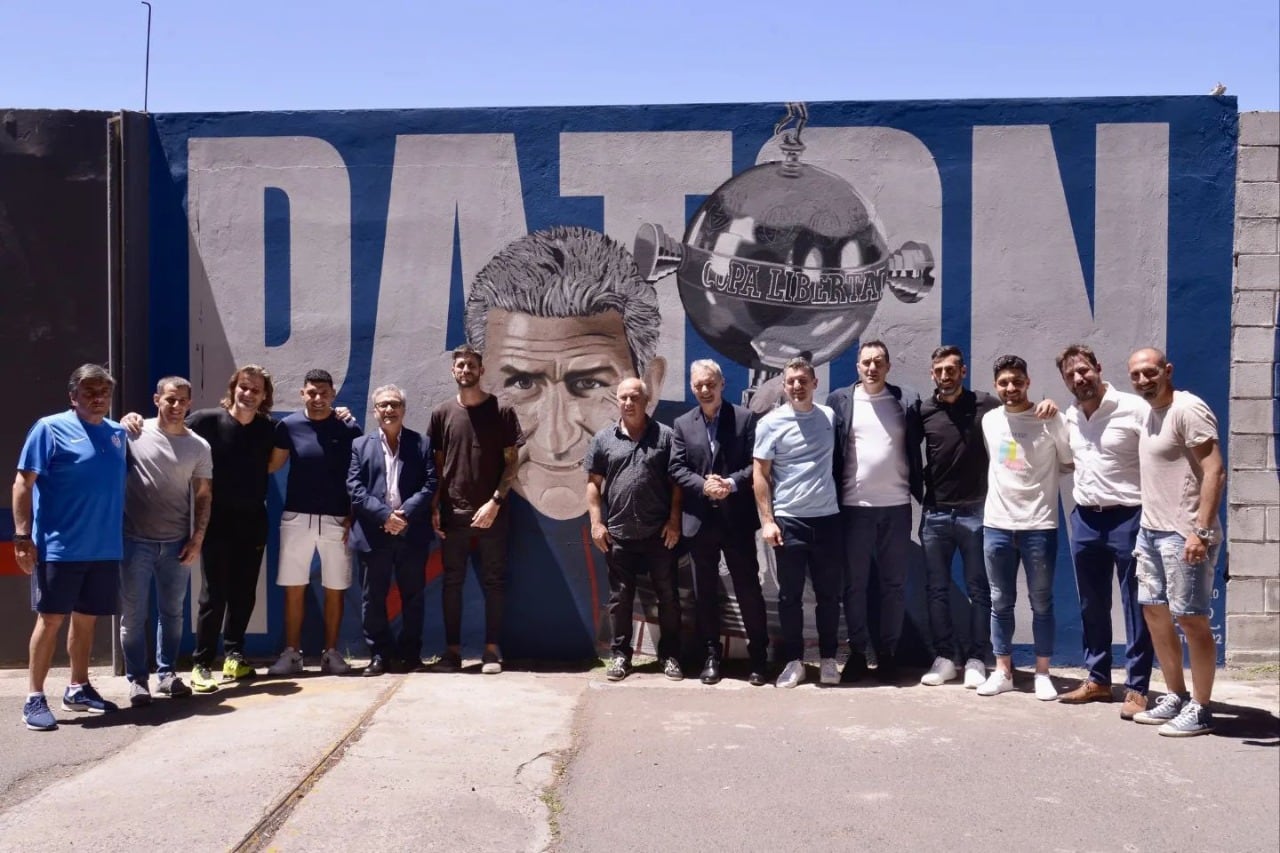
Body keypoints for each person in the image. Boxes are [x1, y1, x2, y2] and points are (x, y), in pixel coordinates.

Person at [464, 226, 666, 521]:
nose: (556, 440)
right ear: (478, 382)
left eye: (588, 382)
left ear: (651, 386)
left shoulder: (681, 453)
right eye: (522, 382)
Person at [13, 364, 127, 730]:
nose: (97, 398)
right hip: (59, 548)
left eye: (104, 392)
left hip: (104, 549)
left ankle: (78, 687)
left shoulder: (117, 434)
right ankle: (33, 698)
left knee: (86, 620)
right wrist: (21, 536)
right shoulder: (49, 429)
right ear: (73, 396)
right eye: (90, 392)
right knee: (50, 620)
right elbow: (22, 483)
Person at [1127, 348, 1226, 736]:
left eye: (1149, 373)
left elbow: (1214, 470)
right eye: (1135, 375)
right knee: (1155, 613)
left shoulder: (1188, 408)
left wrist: (1200, 531)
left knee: (1191, 619)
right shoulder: (1152, 413)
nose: (1142, 380)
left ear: (1167, 371)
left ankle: (1201, 708)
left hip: (1184, 535)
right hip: (1151, 531)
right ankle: (1175, 695)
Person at [1054, 344, 1155, 720]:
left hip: (1130, 517)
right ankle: (1097, 679)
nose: (1079, 379)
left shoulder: (1134, 408)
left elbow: (1160, 456)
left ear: (1098, 367)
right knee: (1091, 605)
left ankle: (1137, 688)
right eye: (1070, 375)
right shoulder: (1070, 416)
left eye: (1083, 371)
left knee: (1136, 606)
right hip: (1085, 519)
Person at [977, 355, 1073, 700]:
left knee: (1041, 602)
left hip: (1039, 525)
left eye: (1017, 381)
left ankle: (1042, 673)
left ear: (1028, 381)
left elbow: (1068, 462)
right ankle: (1003, 671)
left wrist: (1054, 411)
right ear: (996, 386)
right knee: (1000, 602)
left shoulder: (1052, 418)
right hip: (997, 526)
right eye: (1004, 382)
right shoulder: (989, 420)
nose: (1011, 388)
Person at [827, 340, 923, 683]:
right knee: (854, 585)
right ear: (857, 366)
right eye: (866, 362)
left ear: (888, 366)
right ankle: (856, 651)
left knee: (893, 584)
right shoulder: (840, 400)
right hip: (854, 508)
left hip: (897, 506)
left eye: (878, 362)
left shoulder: (907, 400)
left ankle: (888, 654)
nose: (872, 368)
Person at [670, 359, 767, 686]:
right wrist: (704, 485)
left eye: (710, 383)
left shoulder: (744, 419)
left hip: (736, 521)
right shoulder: (683, 424)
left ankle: (759, 656)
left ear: (722, 384)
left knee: (748, 590)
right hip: (699, 523)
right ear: (692, 386)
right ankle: (711, 655)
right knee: (705, 593)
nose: (704, 390)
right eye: (698, 385)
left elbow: (756, 464)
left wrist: (730, 484)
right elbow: (677, 468)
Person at [429, 345, 523, 674]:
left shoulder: (501, 411)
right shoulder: (442, 413)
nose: (466, 370)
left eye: (471, 365)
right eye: (460, 365)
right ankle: (452, 653)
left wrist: (495, 502)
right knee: (451, 582)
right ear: (453, 371)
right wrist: (434, 506)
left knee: (494, 581)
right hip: (452, 512)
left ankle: (491, 651)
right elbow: (438, 466)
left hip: (492, 514)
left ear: (482, 371)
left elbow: (512, 464)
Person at [119, 377, 213, 706]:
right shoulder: (132, 433)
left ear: (190, 403)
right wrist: (121, 421)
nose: (176, 406)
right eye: (170, 399)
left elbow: (203, 495)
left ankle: (167, 674)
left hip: (177, 544)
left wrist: (197, 538)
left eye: (183, 401)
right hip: (134, 542)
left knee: (172, 614)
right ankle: (137, 680)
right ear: (157, 398)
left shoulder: (199, 446)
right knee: (133, 616)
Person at [184, 365, 277, 690]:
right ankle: (201, 663)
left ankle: (234, 657)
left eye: (256, 390)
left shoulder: (268, 428)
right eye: (244, 387)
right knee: (214, 594)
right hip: (216, 521)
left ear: (265, 396)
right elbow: (169, 431)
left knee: (244, 593)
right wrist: (133, 422)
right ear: (233, 388)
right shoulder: (205, 421)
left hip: (253, 521)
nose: (248, 394)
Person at [753, 357, 843, 689]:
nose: (796, 386)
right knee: (790, 597)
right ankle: (793, 662)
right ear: (783, 385)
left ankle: (830, 660)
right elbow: (759, 474)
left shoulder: (830, 418)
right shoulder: (770, 424)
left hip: (828, 520)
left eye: (803, 380)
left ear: (815, 383)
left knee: (829, 595)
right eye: (791, 380)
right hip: (789, 521)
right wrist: (768, 521)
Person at [267, 369, 362, 676]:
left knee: (335, 586)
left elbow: (358, 474)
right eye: (312, 392)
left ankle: (331, 654)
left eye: (324, 393)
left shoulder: (348, 427)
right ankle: (292, 653)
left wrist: (354, 513)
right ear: (302, 393)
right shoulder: (288, 426)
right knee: (294, 587)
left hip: (338, 519)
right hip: (296, 517)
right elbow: (272, 465)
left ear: (333, 394)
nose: (318, 398)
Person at [586, 377, 682, 682]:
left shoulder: (665, 437)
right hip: (618, 534)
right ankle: (620, 657)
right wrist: (596, 523)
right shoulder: (603, 439)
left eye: (634, 398)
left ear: (646, 400)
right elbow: (593, 484)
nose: (628, 403)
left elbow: (676, 484)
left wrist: (674, 520)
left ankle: (671, 656)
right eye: (623, 398)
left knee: (667, 596)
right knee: (620, 599)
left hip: (659, 534)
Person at [917, 346, 1000, 689]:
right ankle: (946, 658)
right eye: (940, 370)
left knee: (979, 589)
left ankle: (977, 659)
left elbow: (1020, 418)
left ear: (963, 371)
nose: (946, 375)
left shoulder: (988, 405)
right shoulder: (923, 411)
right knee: (936, 589)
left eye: (952, 369)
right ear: (932, 374)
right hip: (934, 513)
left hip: (976, 514)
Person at [347, 384, 437, 675]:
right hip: (375, 533)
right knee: (373, 597)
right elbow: (355, 488)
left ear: (403, 410)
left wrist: (405, 514)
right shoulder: (360, 446)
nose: (389, 410)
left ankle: (410, 654)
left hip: (411, 533)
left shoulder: (421, 443)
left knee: (413, 595)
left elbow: (430, 483)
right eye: (383, 405)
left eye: (394, 404)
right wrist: (385, 516)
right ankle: (380, 655)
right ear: (375, 411)